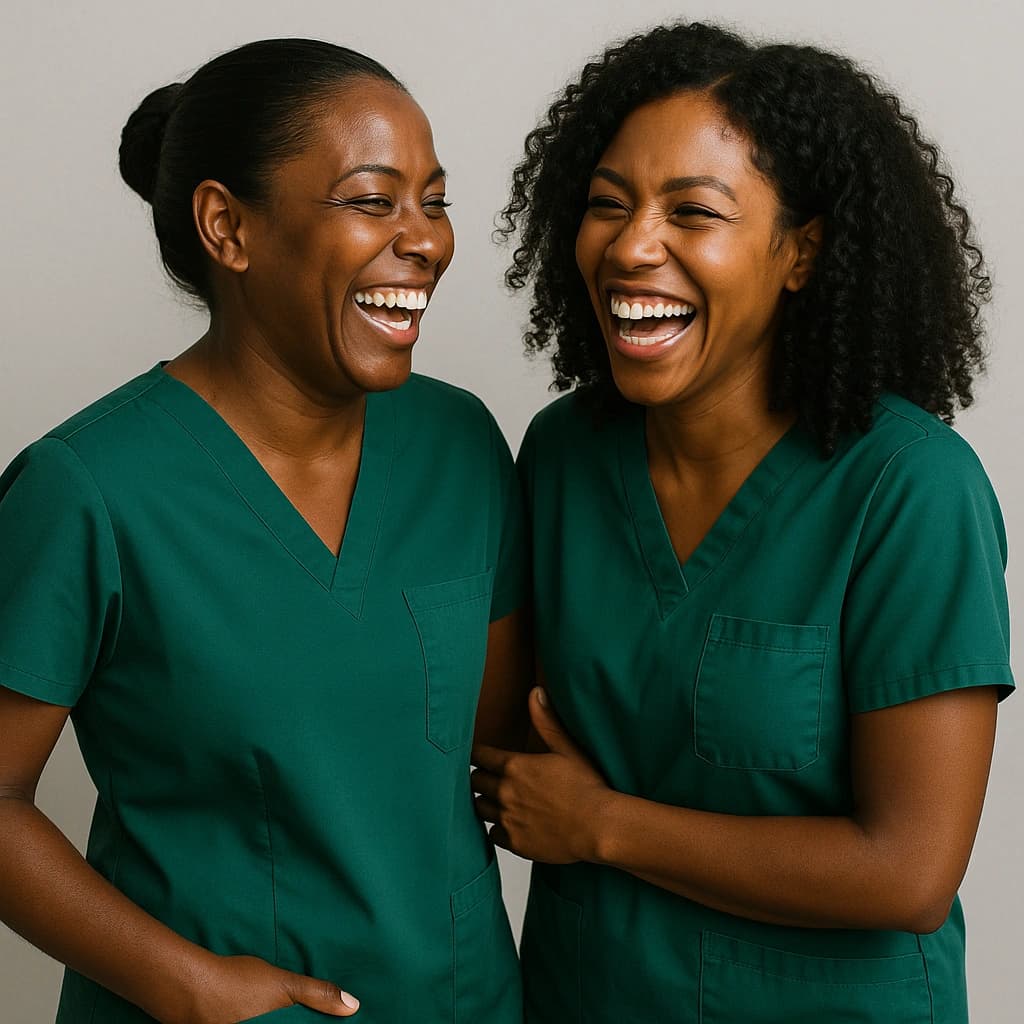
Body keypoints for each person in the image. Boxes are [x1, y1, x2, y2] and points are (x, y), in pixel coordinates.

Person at [473, 21, 1014, 1024]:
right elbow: (499, 744)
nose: (632, 245)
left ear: (802, 252)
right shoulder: (561, 456)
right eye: (608, 204)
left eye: (693, 211)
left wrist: (604, 826)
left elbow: (907, 871)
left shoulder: (908, 489)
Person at [0, 38, 528, 1024]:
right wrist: (186, 985)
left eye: (434, 201)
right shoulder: (87, 490)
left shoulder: (461, 445)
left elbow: (501, 749)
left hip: (460, 1002)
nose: (425, 240)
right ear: (228, 227)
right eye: (373, 201)